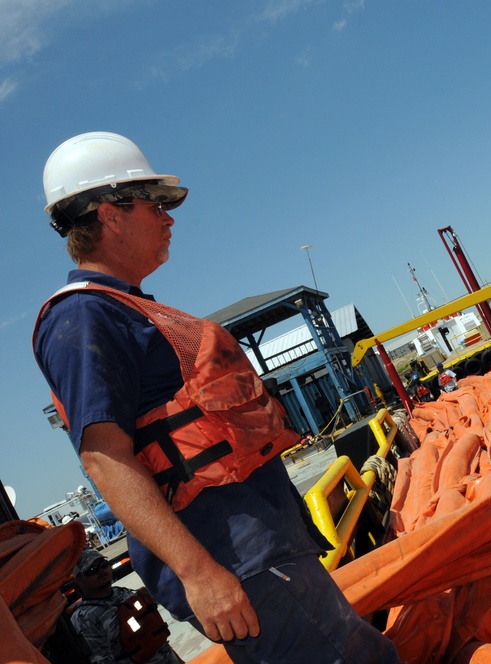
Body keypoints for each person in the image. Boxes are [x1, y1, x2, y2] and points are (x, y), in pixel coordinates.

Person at [33, 132, 400, 664]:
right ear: (109, 215)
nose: (169, 218)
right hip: (234, 558)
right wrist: (200, 574)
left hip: (259, 547)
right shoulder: (83, 317)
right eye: (153, 204)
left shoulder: (126, 309)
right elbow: (103, 457)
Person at [70, 549, 182, 664]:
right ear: (80, 581)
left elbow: (155, 637)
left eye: (103, 564)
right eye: (92, 570)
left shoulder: (124, 594)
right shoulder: (84, 618)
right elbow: (100, 659)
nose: (101, 571)